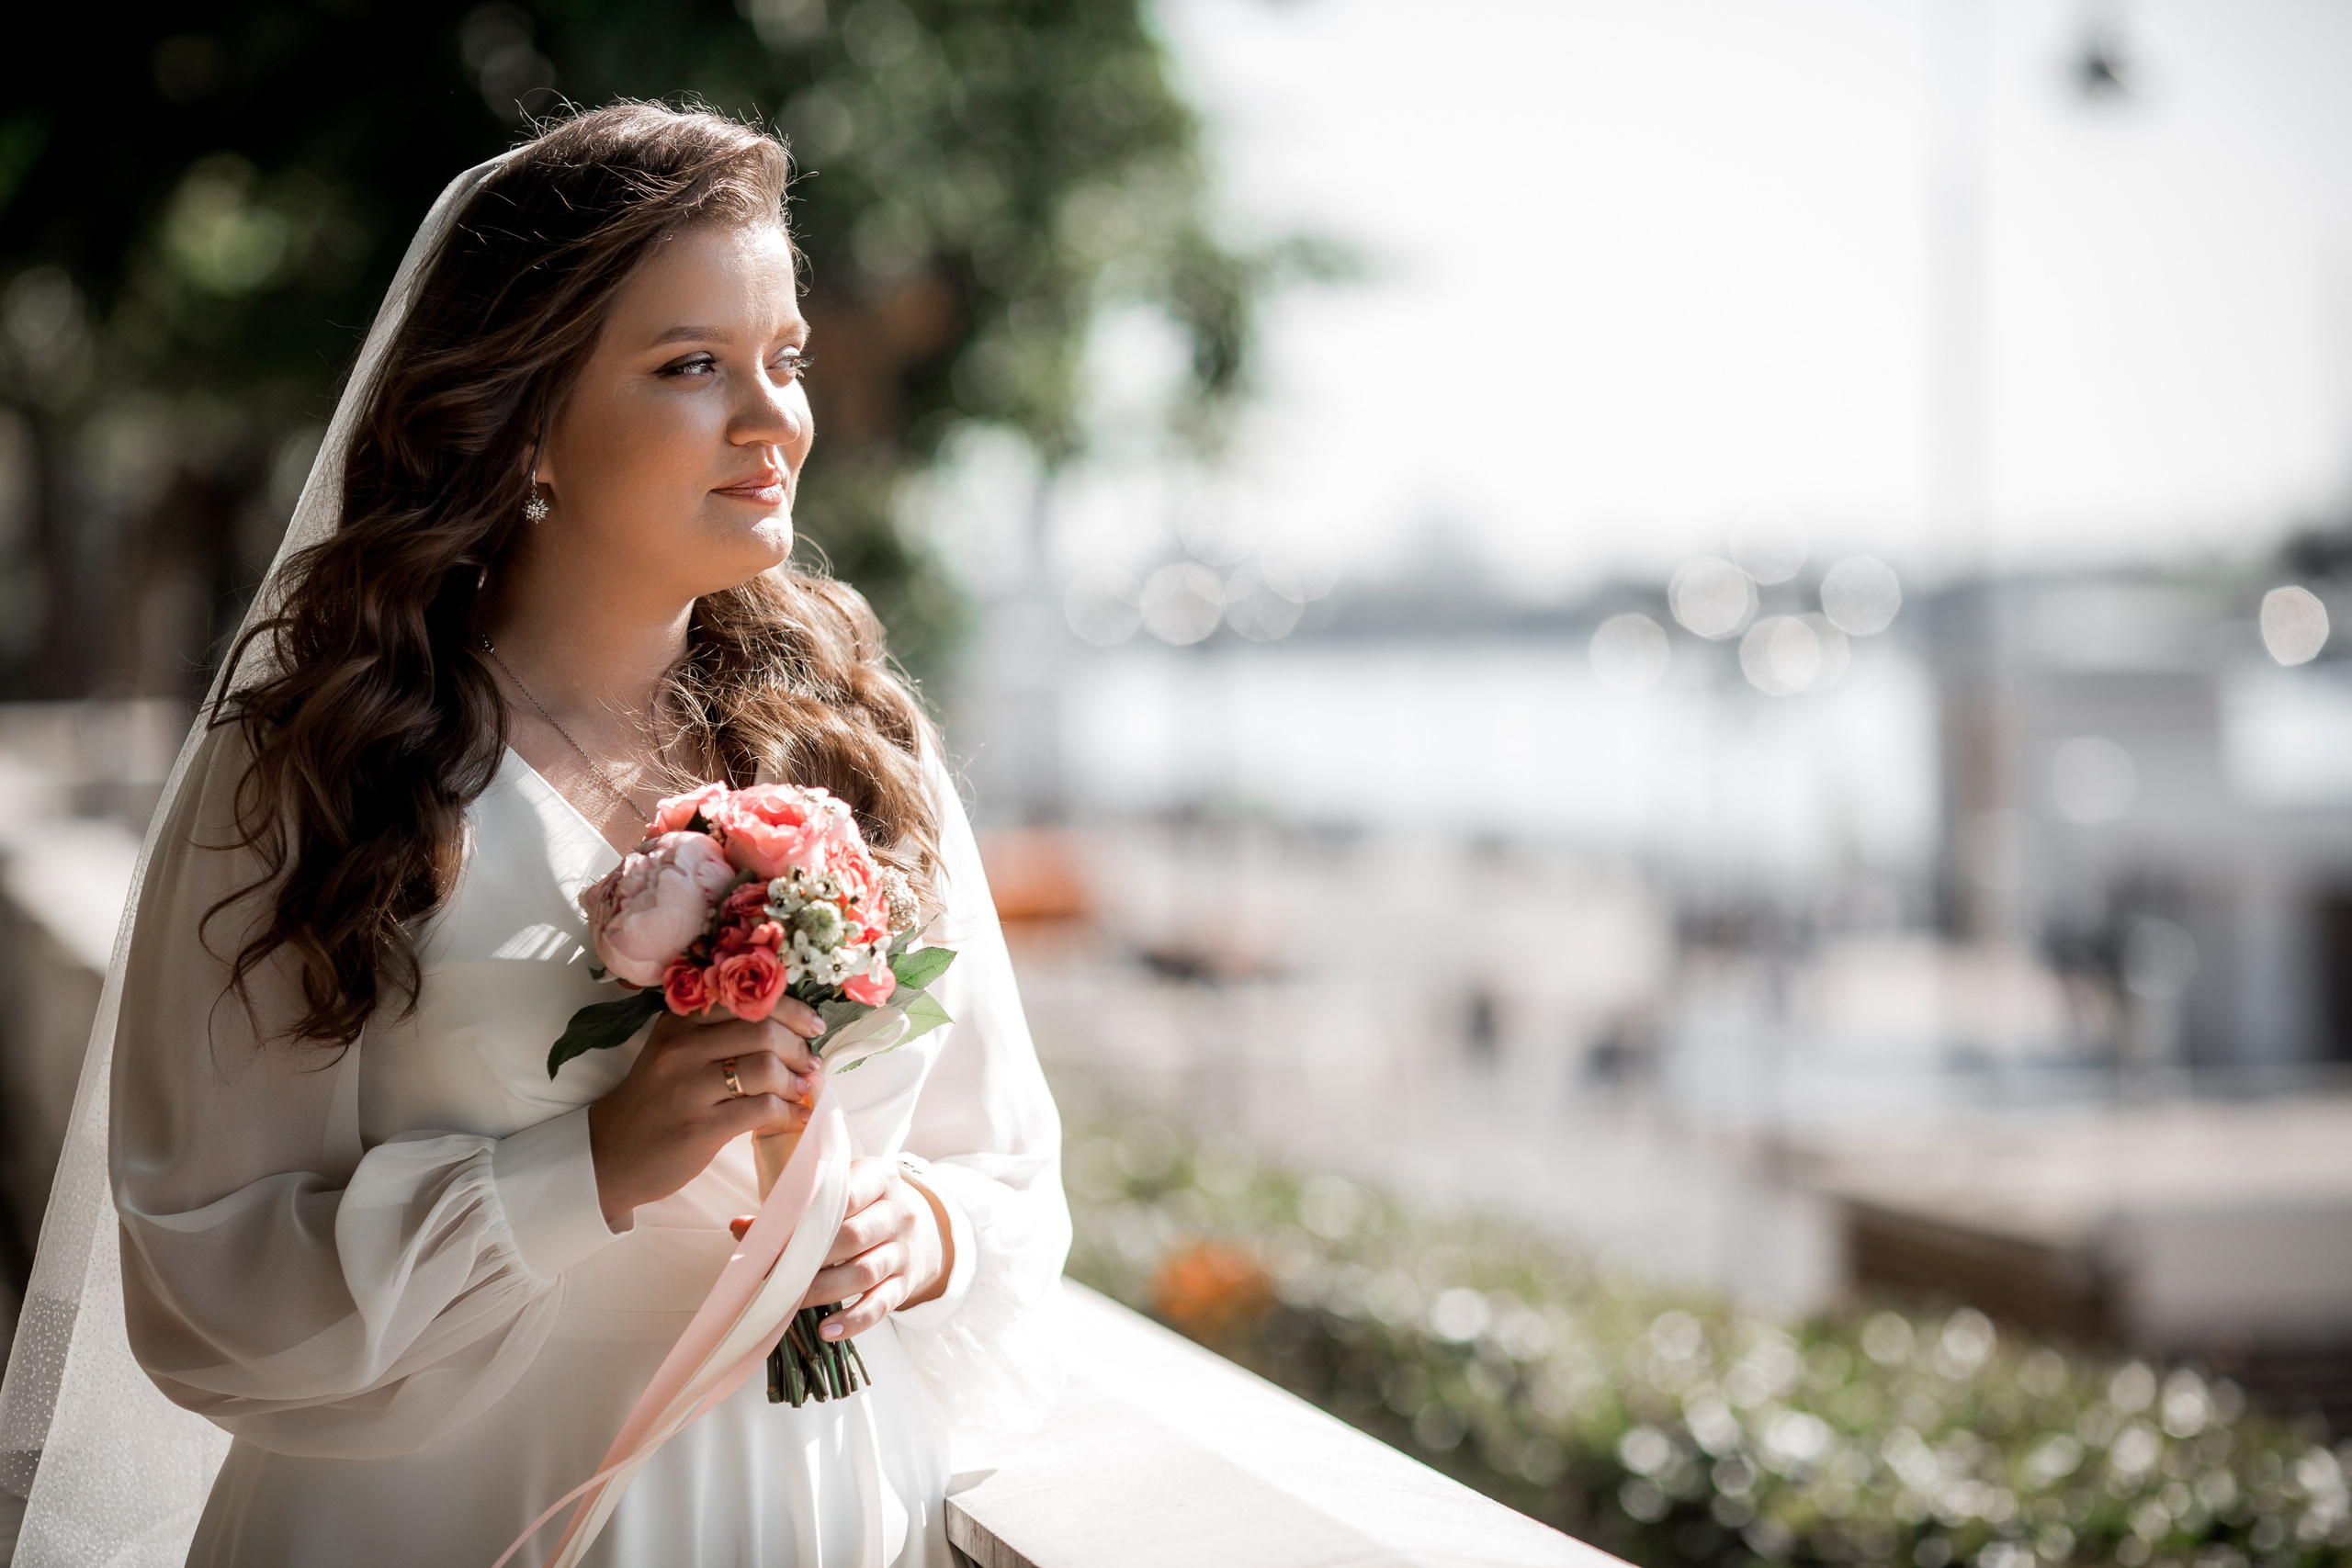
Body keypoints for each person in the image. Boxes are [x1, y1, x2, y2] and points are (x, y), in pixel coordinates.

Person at [2, 103, 1068, 1567]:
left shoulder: (863, 747)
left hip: (803, 1515)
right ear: (525, 415)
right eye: (692, 366)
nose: (773, 421)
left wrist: (921, 1233)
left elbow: (1004, 1162)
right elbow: (202, 1285)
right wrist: (589, 1172)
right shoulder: (318, 773)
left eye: (786, 358)